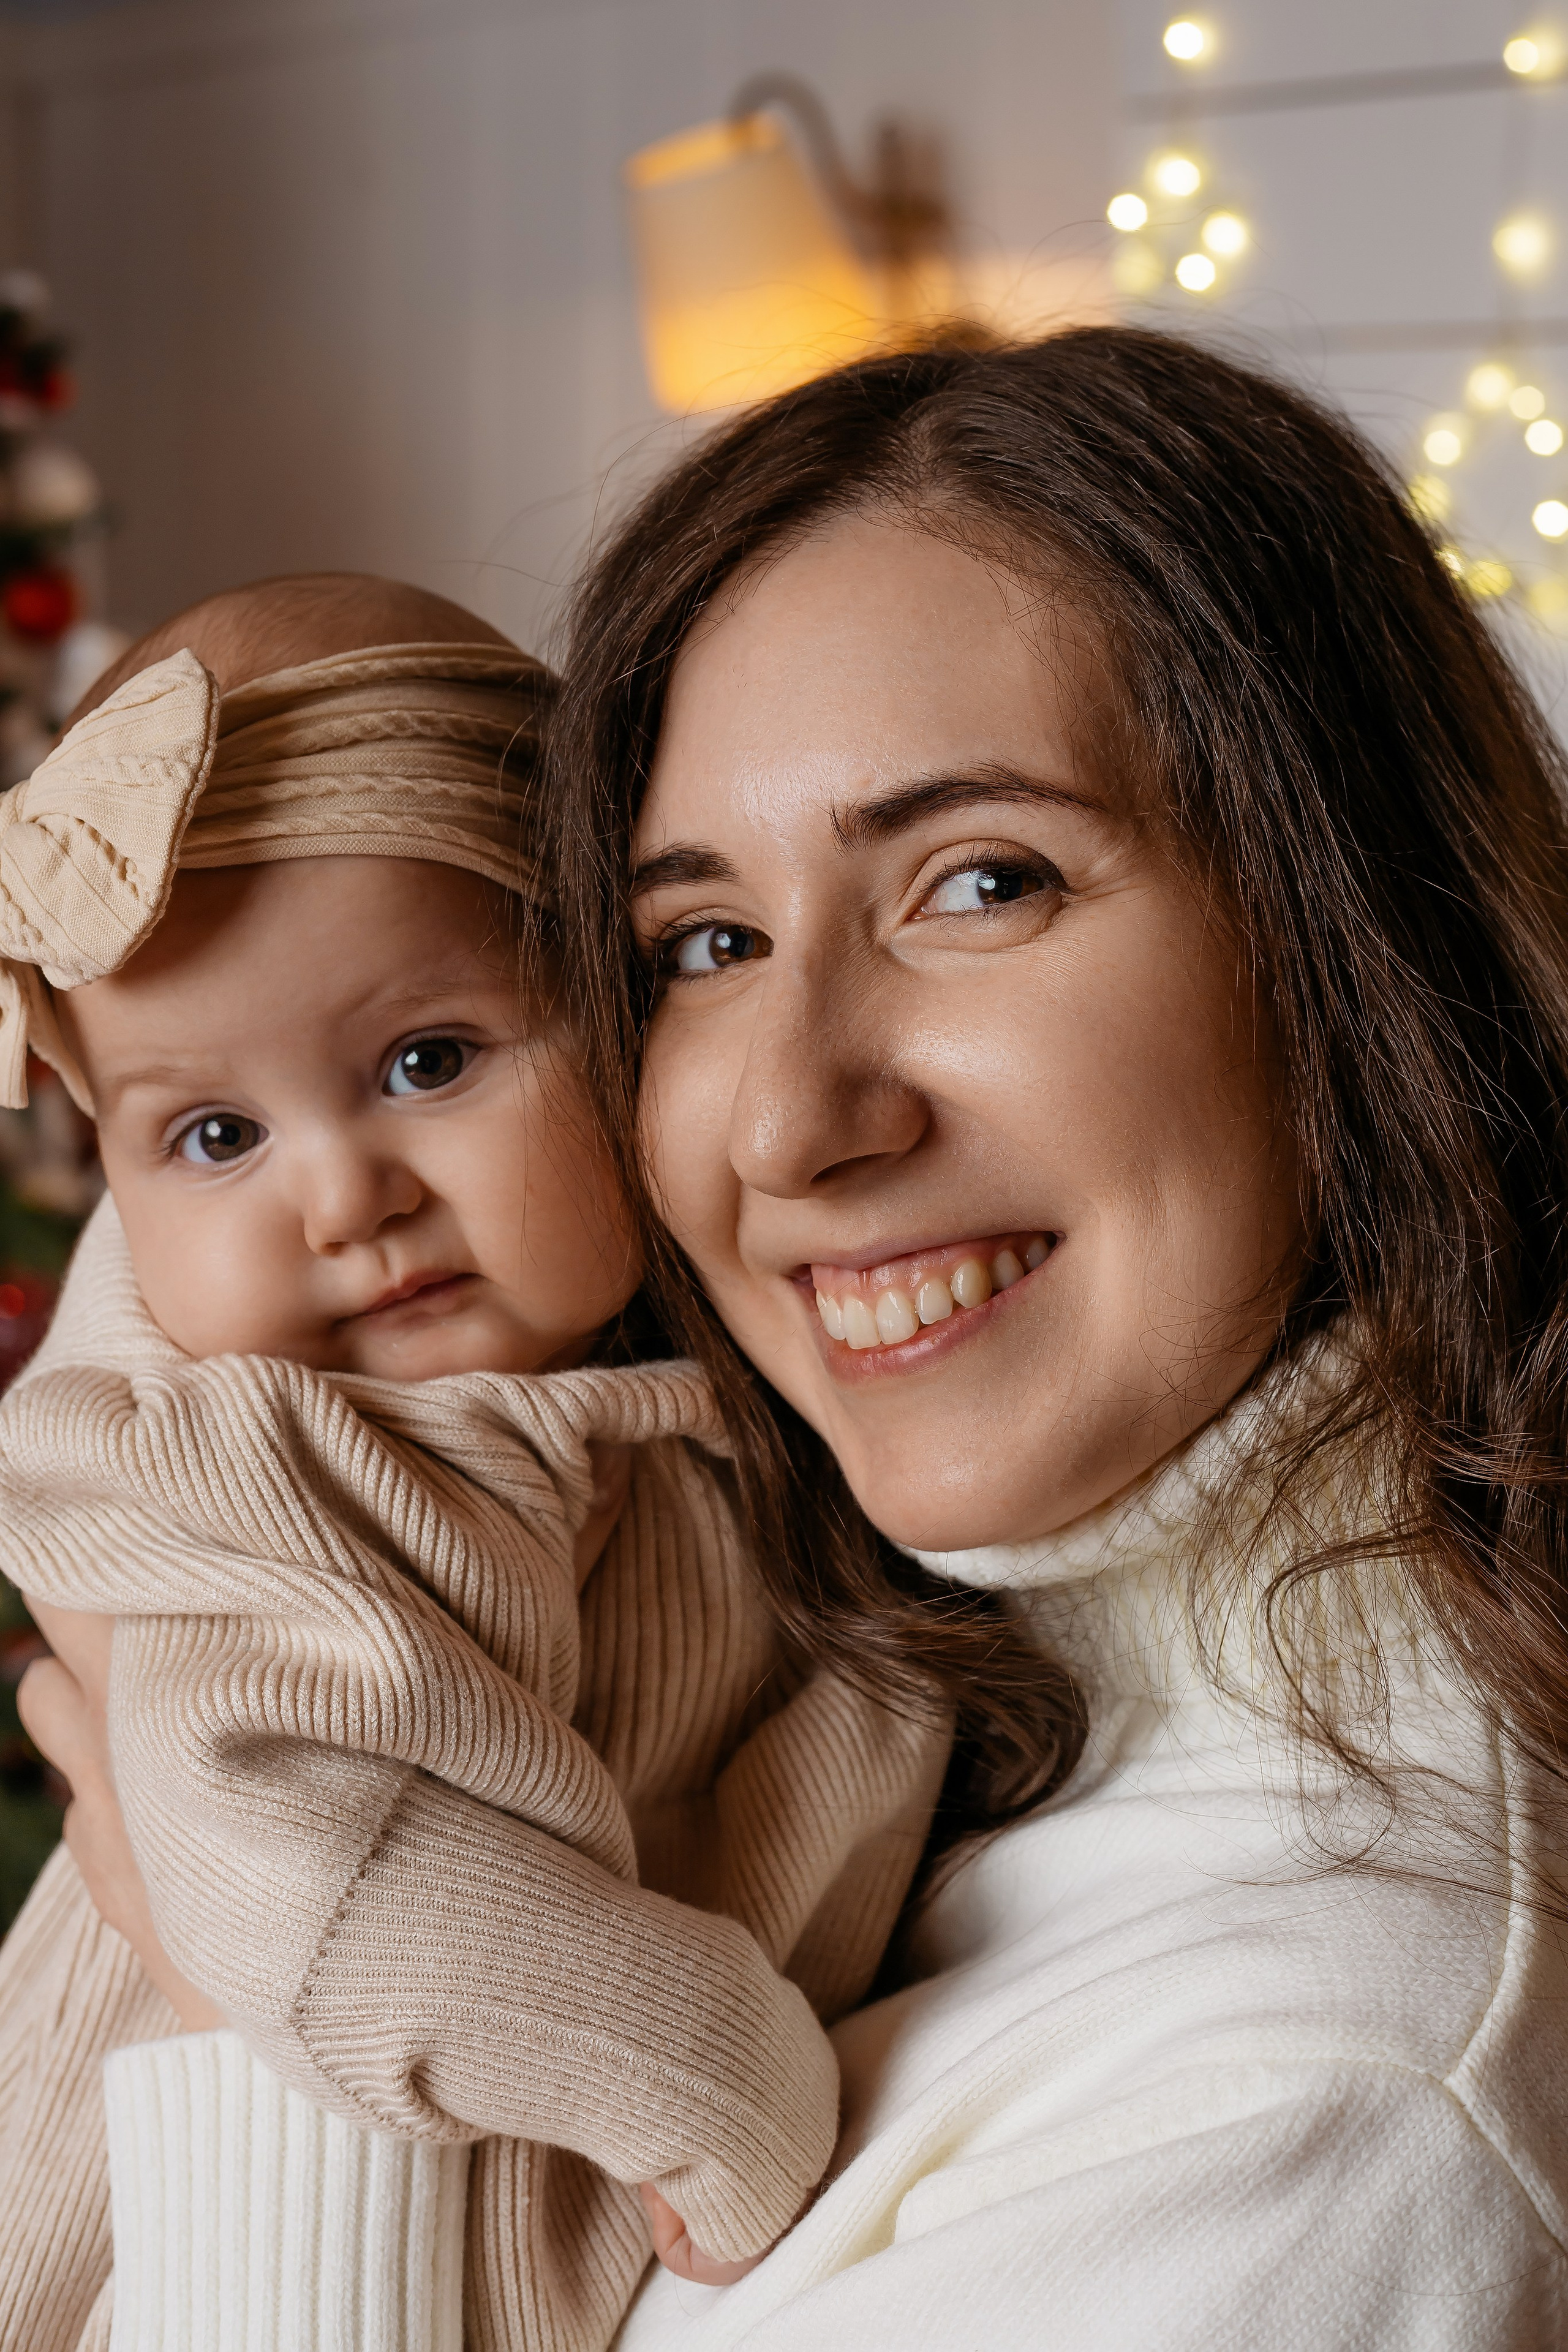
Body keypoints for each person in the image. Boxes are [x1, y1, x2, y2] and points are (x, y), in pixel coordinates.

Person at [34, 326, 1568, 2349]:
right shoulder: (913, 1637)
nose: (785, 1121)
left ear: (1353, 931)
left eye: (980, 882)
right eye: (707, 944)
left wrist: (262, 2060)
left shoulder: (1314, 2109)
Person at [0, 573, 944, 2352]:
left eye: (429, 1061)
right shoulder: (270, 1467)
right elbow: (314, 1895)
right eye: (215, 1134)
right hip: (196, 2263)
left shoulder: (678, 1371)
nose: (343, 1198)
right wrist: (718, 2078)